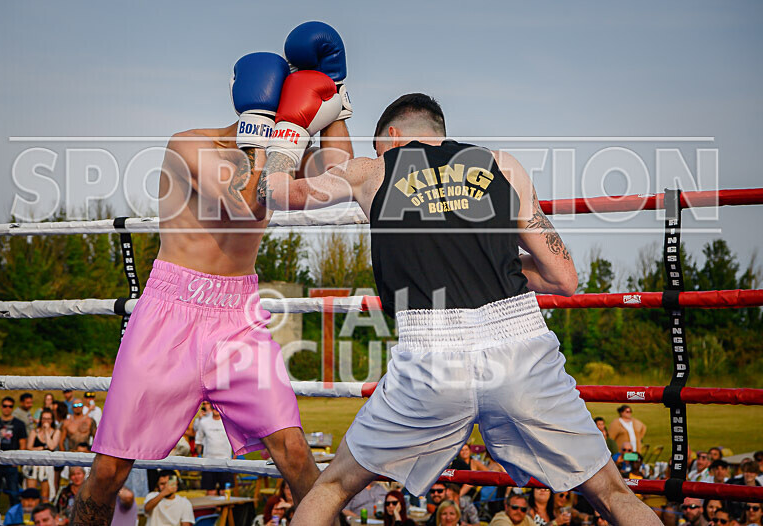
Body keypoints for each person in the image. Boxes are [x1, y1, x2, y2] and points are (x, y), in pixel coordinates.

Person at [263, 94, 662, 526]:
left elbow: (280, 194)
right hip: (519, 339)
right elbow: (562, 278)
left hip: (430, 352)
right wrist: (494, 265)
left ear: (391, 137)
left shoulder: (371, 170)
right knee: (610, 491)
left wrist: (285, 137)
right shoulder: (503, 164)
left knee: (332, 487)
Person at [72, 22, 353, 526]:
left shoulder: (288, 158)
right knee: (112, 467)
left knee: (294, 453)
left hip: (238, 316)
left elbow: (343, 177)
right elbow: (244, 202)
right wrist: (265, 130)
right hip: (170, 313)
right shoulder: (189, 146)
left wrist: (336, 100)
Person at [0, 396, 27, 508]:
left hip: (11, 463)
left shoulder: (19, 424)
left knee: (14, 494)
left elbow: (23, 445)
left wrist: (17, 461)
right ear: (1, 407)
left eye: (10, 406)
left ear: (13, 408)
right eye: (5, 406)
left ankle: (14, 521)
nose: (7, 408)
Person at [194, 403, 233, 495]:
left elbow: (236, 441)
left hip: (225, 462)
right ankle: (213, 509)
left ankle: (224, 509)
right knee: (210, 492)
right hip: (208, 462)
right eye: (214, 406)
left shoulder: (229, 422)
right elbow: (198, 441)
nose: (216, 409)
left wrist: (234, 457)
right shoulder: (204, 422)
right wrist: (200, 457)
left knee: (226, 492)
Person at [25, 408, 60, 501]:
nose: (46, 421)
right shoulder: (34, 432)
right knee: (31, 493)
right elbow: (28, 447)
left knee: (45, 495)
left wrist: (46, 432)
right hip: (34, 464)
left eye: (48, 419)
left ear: (52, 420)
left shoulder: (56, 432)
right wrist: (39, 449)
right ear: (40, 419)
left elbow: (51, 446)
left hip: (47, 466)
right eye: (44, 418)